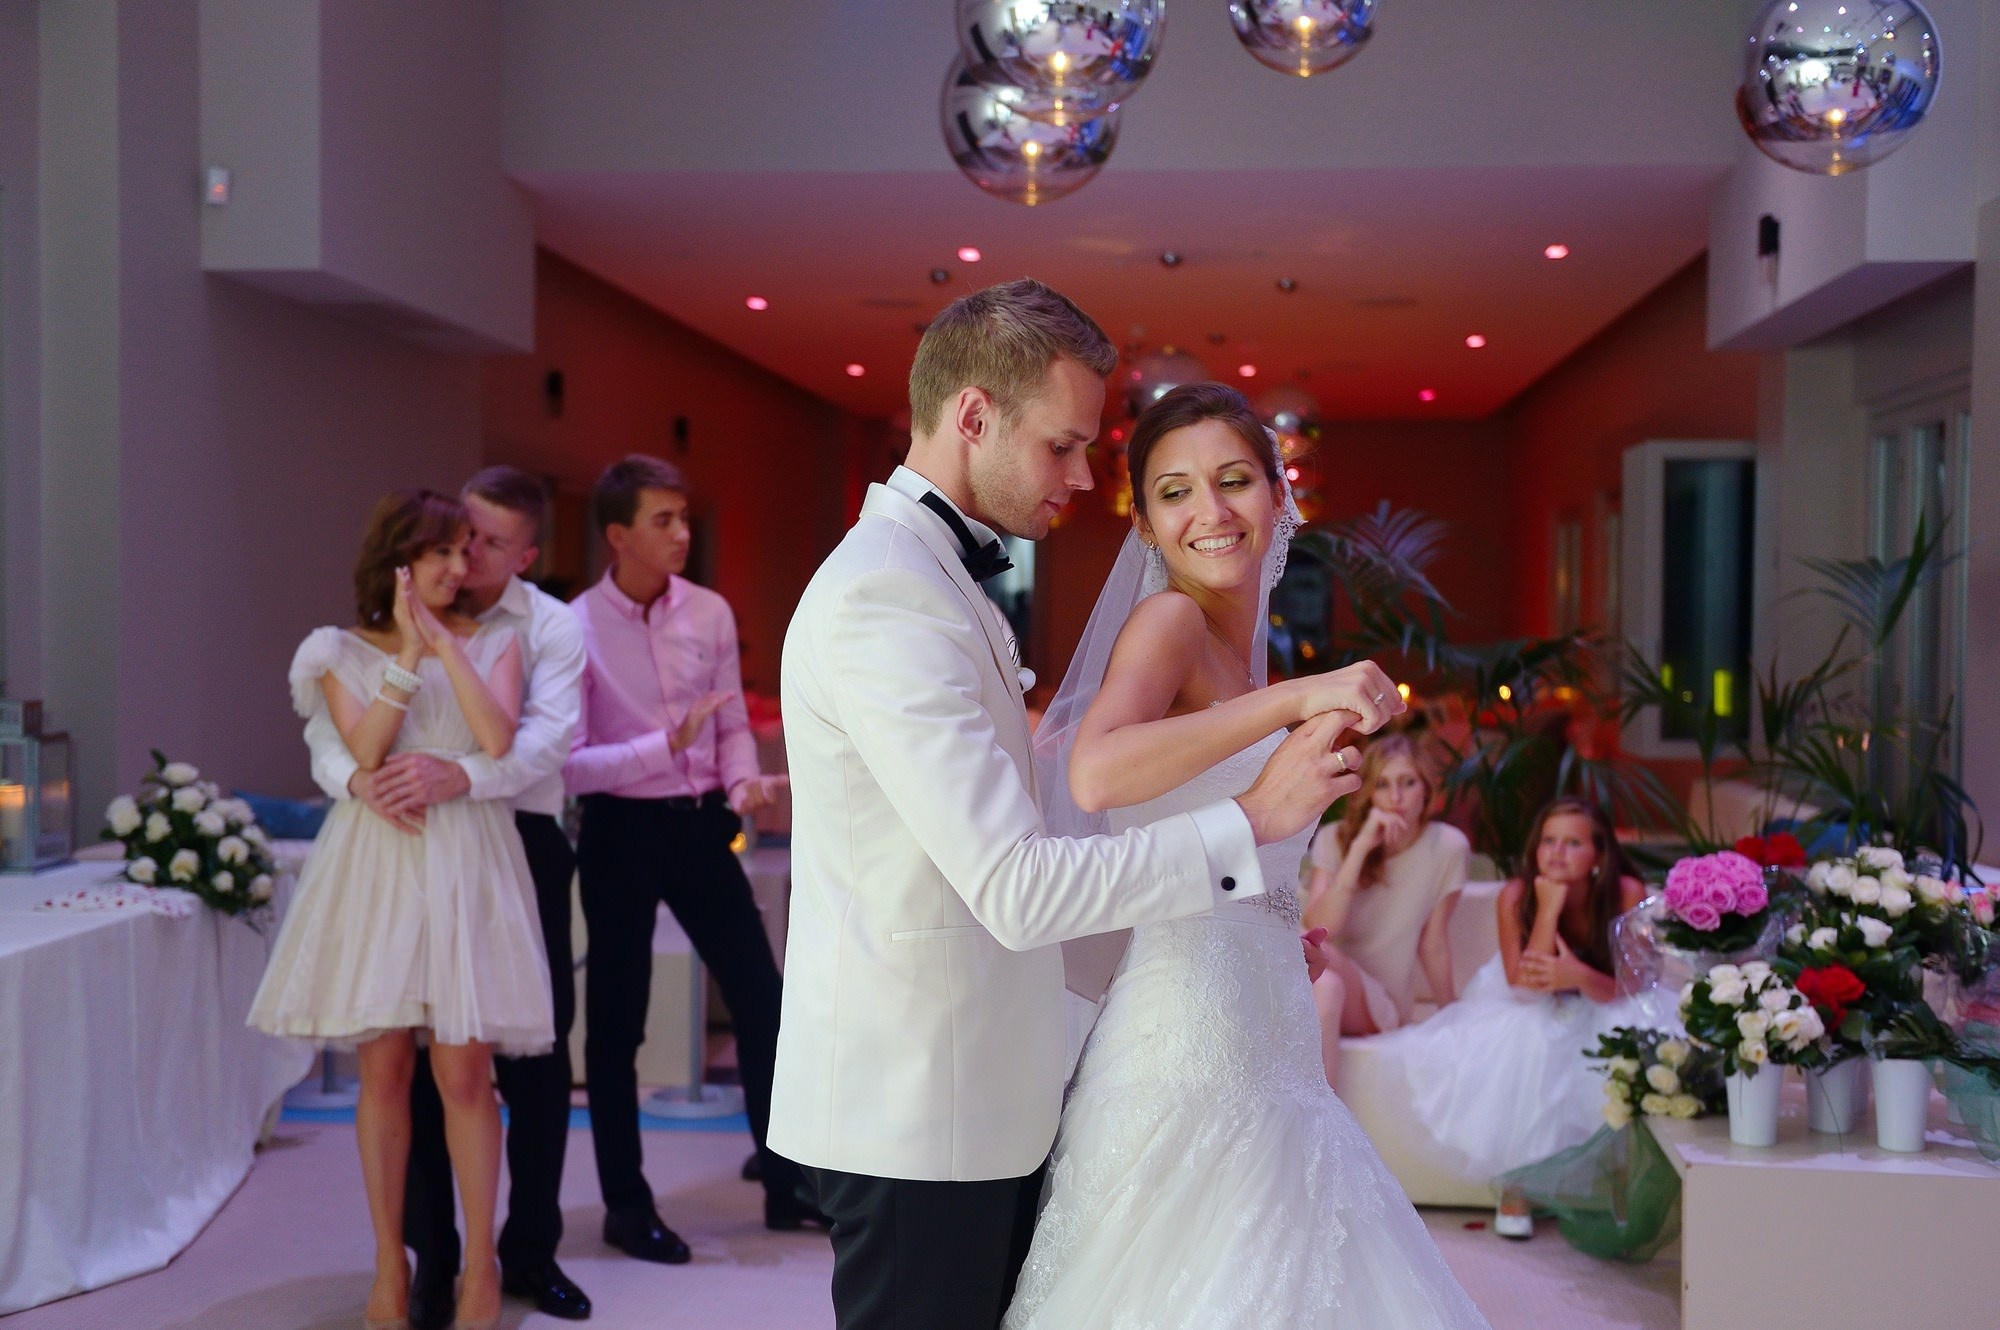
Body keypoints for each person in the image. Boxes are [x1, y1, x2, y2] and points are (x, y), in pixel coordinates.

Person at [771, 281, 1372, 1330]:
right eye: (1062, 446)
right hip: (919, 1103)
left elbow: (1033, 840)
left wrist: (1249, 926)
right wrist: (1248, 827)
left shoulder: (931, 579)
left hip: (989, 1089)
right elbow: (1013, 882)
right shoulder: (884, 593)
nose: (1081, 477)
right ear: (971, 416)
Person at [1000, 383, 1487, 1330]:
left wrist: (1280, 915)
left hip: (1270, 1016)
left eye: (1233, 482)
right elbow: (1096, 774)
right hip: (1189, 1032)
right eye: (1175, 493)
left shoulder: (1247, 652)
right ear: (1143, 523)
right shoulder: (1170, 624)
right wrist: (1295, 700)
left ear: (1279, 495)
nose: (1211, 513)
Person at [251, 490, 553, 1330]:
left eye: (465, 552)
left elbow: (496, 739)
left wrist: (444, 646)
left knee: (465, 1072)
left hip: (467, 856)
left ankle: (481, 1271)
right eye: (442, 555)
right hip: (379, 860)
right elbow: (367, 750)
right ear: (399, 564)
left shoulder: (496, 642)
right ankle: (391, 1264)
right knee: (383, 1071)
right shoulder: (333, 651)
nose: (460, 569)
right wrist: (407, 654)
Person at [565, 454, 810, 1257]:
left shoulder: (707, 611)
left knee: (763, 1000)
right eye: (662, 520)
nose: (682, 532)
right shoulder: (574, 626)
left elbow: (732, 718)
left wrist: (741, 781)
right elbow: (568, 764)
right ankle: (626, 1206)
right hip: (619, 832)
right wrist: (657, 748)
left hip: (704, 826)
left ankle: (786, 1181)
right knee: (616, 1022)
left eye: (683, 517)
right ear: (618, 535)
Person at [1363, 796, 1648, 1237]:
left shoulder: (1626, 892)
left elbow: (1631, 989)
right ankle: (1518, 1184)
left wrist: (1576, 974)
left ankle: (1602, 1183)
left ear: (1599, 855)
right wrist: (1549, 907)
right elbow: (1524, 986)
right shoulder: (1516, 894)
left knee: (1620, 1032)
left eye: (1573, 843)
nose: (1556, 853)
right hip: (1524, 998)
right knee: (1530, 1034)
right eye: (1548, 842)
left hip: (1604, 995)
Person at [1301, 734, 1470, 1084]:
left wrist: (1455, 1019)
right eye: (1383, 785)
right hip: (1325, 984)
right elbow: (1320, 925)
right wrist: (1361, 847)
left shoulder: (1447, 847)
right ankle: (1326, 1125)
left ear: (1425, 789)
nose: (1396, 799)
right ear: (1370, 794)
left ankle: (1316, 1125)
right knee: (1327, 986)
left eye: (1407, 783)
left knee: (1320, 962)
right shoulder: (1336, 839)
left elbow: (1433, 943)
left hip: (1384, 1004)